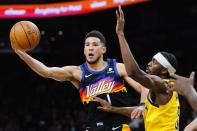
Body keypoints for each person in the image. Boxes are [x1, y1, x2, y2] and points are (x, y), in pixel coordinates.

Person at [11, 14, 148, 131]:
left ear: (103, 49)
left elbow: (144, 86)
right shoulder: (77, 72)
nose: (90, 48)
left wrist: (142, 105)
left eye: (95, 45)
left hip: (119, 127)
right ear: (83, 50)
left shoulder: (117, 67)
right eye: (87, 45)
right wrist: (22, 54)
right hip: (92, 128)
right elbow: (47, 72)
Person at [94, 6, 180, 131]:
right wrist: (113, 109)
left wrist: (121, 35)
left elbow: (133, 73)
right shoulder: (161, 89)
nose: (149, 64)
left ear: (164, 71)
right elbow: (141, 111)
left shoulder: (162, 85)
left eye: (154, 62)